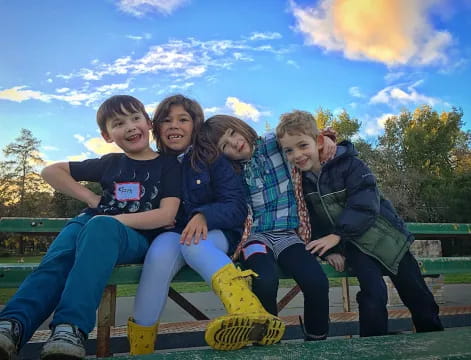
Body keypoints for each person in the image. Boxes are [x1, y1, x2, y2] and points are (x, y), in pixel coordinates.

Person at [0, 95, 182, 360]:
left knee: (99, 227)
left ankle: (70, 328)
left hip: (133, 237)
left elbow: (167, 215)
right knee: (58, 260)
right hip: (91, 224)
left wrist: (110, 220)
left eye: (135, 118)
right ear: (107, 135)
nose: (130, 126)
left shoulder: (168, 165)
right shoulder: (110, 163)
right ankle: (12, 325)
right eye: (118, 123)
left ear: (148, 122)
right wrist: (92, 199)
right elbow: (50, 172)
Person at [128, 95, 285, 354]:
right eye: (166, 121)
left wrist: (204, 215)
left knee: (194, 245)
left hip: (218, 231)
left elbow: (235, 205)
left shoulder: (212, 159)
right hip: (176, 233)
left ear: (195, 125)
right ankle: (140, 350)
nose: (174, 126)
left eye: (183, 120)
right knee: (157, 255)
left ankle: (248, 310)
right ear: (157, 128)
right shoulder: (156, 165)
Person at [276, 110, 444, 337]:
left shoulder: (350, 164)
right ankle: (372, 346)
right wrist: (331, 250)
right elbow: (314, 221)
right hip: (355, 244)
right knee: (373, 294)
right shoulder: (302, 183)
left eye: (303, 146)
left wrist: (337, 236)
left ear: (318, 142)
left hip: (387, 238)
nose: (297, 155)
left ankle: (435, 339)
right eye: (289, 150)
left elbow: (365, 204)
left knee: (416, 293)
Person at [201, 115, 339, 341]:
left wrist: (327, 138)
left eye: (233, 134)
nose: (235, 143)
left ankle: (316, 338)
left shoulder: (273, 143)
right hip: (255, 239)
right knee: (264, 279)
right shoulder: (230, 171)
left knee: (316, 281)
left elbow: (302, 133)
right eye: (225, 145)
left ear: (241, 127)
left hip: (288, 236)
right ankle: (267, 338)